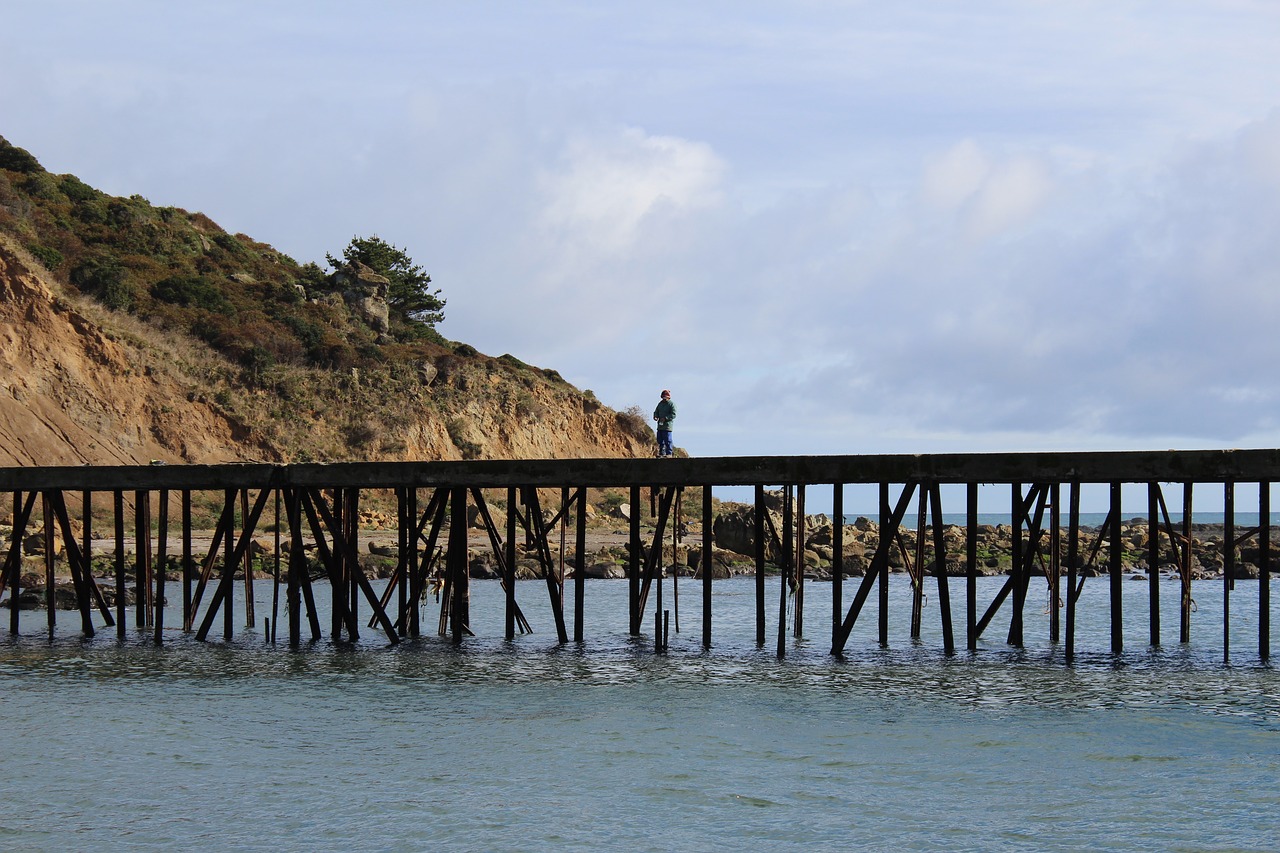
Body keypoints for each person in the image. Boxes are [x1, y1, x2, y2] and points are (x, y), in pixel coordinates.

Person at [653, 389, 676, 457]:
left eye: (665, 397)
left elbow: (673, 414)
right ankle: (661, 453)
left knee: (668, 440)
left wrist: (666, 418)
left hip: (667, 426)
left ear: (668, 397)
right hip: (660, 425)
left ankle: (669, 453)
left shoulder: (671, 404)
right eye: (663, 397)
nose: (664, 398)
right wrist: (655, 416)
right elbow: (656, 411)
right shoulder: (660, 404)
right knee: (660, 440)